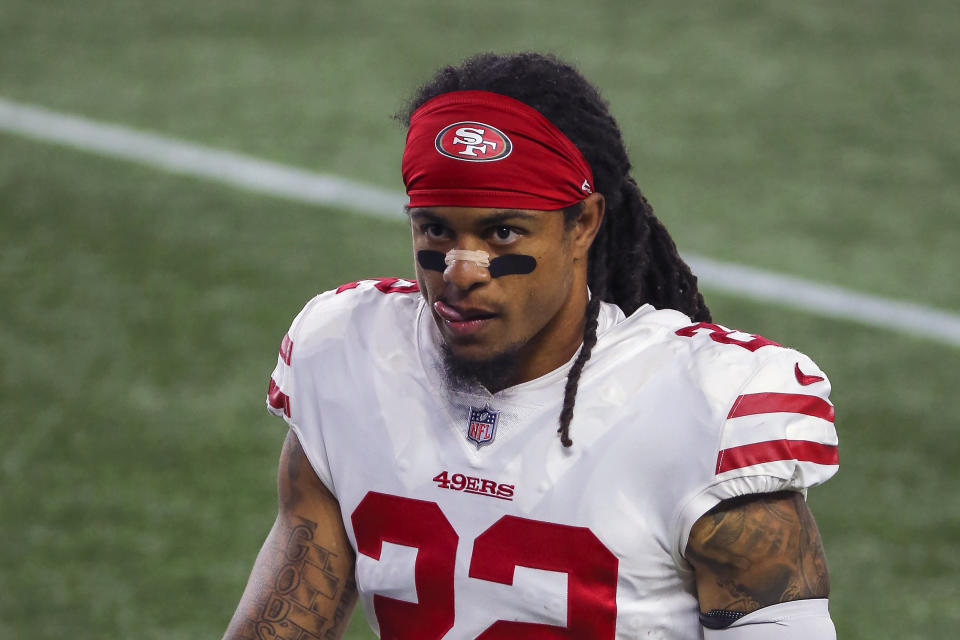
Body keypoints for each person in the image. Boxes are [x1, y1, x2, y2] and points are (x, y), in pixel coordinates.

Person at [222, 52, 839, 640]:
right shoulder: (351, 357)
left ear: (584, 224)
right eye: (436, 227)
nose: (461, 270)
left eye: (502, 232)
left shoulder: (707, 410)